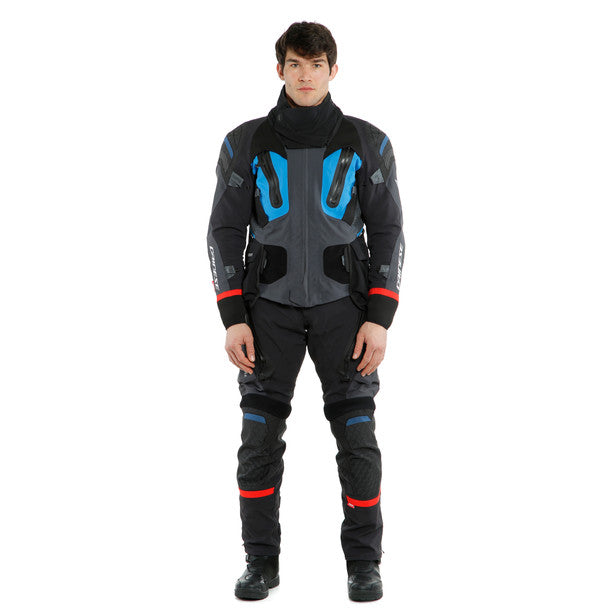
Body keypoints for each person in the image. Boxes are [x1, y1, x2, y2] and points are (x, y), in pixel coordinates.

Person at [206, 21, 404, 601]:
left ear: (333, 70)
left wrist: (380, 317)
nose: (306, 75)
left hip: (347, 313)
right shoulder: (243, 142)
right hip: (267, 315)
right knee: (258, 442)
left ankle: (364, 564)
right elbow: (223, 231)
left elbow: (389, 231)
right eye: (295, 64)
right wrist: (233, 317)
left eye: (317, 65)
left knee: (358, 440)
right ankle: (259, 562)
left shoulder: (369, 141)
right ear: (280, 69)